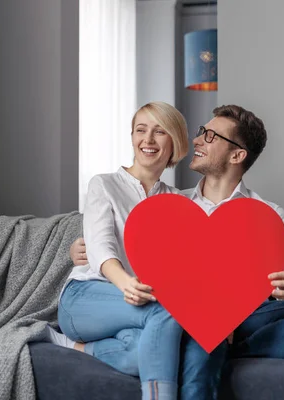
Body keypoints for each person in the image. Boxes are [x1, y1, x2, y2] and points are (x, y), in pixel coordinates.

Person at [59, 104, 284, 396]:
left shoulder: (268, 214)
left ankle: (206, 339)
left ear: (237, 155)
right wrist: (82, 249)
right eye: (201, 133)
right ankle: (202, 338)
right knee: (196, 329)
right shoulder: (171, 205)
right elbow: (121, 240)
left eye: (210, 136)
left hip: (244, 314)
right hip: (190, 313)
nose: (197, 140)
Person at [45, 101, 229, 400]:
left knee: (147, 349)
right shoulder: (103, 185)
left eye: (159, 132)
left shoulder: (180, 202)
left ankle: (73, 346)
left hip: (142, 306)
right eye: (140, 130)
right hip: (87, 295)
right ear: (132, 137)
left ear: (176, 143)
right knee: (167, 311)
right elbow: (101, 245)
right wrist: (124, 281)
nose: (148, 140)